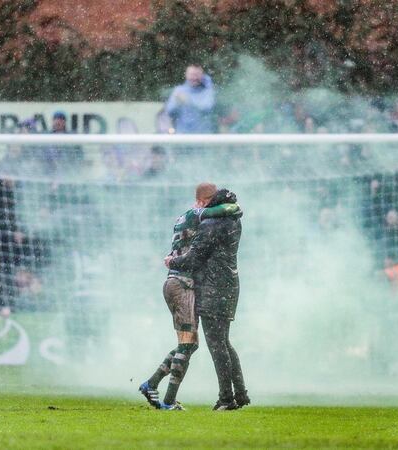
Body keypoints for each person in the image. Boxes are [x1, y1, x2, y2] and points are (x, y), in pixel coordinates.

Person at [139, 183, 240, 411]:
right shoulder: (200, 214)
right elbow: (228, 210)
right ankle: (168, 401)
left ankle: (151, 384)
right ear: (205, 201)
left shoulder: (183, 216)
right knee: (187, 344)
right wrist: (233, 207)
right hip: (182, 283)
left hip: (175, 281)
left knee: (189, 344)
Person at [166, 188, 247, 410]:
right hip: (230, 286)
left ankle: (226, 399)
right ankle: (240, 394)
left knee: (216, 345)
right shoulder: (234, 221)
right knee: (225, 342)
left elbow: (194, 258)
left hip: (212, 289)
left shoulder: (211, 225)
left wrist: (172, 262)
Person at [164, 65, 216, 134]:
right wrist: (177, 103)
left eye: (197, 75)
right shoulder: (179, 90)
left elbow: (207, 108)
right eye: (191, 74)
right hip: (183, 135)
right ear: (186, 75)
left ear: (202, 75)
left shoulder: (208, 91)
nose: (194, 78)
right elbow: (169, 112)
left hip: (203, 136)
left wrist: (189, 101)